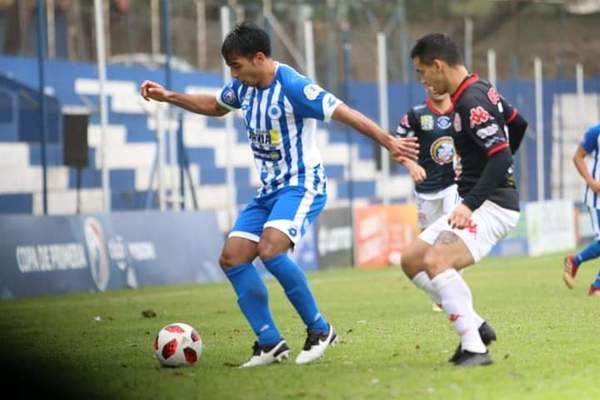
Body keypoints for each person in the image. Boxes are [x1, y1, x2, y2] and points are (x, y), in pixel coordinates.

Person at [140, 22, 418, 368]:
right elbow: (214, 105)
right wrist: (169, 97)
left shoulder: (294, 87)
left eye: (237, 66)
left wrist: (388, 140)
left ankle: (320, 329)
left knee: (271, 250)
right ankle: (270, 341)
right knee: (233, 258)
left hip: (302, 185)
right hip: (269, 190)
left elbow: (345, 113)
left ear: (259, 58)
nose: (234, 75)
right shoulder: (245, 88)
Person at [400, 33, 528, 366]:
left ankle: (475, 348)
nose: (423, 81)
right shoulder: (483, 89)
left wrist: (469, 203)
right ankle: (475, 323)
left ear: (438, 65)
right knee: (412, 258)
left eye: (422, 72)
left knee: (437, 262)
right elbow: (519, 123)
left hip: (492, 206)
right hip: (483, 199)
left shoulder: (471, 101)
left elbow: (500, 158)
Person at [394, 86, 460, 312]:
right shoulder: (415, 115)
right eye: (430, 83)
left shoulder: (461, 112)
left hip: (453, 185)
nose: (436, 88)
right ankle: (442, 292)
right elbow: (396, 145)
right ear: (425, 85)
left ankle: (452, 289)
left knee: (450, 235)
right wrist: (411, 165)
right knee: (428, 245)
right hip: (425, 190)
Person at [563, 123, 600, 296]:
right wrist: (591, 182)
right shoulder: (596, 131)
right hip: (597, 197)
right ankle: (596, 287)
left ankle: (575, 261)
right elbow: (578, 157)